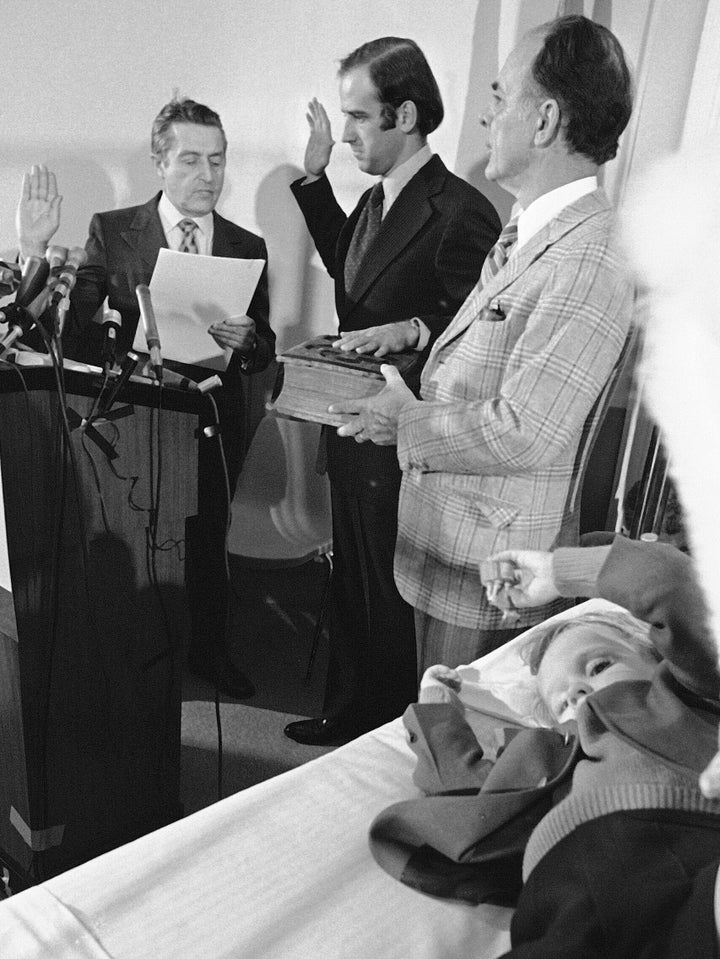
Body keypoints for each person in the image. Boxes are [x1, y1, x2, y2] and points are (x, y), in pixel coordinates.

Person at [331, 15, 635, 678]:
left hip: (489, 573)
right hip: (449, 543)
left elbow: (528, 429)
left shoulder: (587, 259)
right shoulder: (532, 230)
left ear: (546, 120)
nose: (486, 119)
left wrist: (402, 417)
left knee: (456, 757)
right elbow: (493, 342)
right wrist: (418, 336)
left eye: (500, 100)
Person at [17, 100, 276, 700]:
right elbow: (79, 330)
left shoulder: (247, 242)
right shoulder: (113, 230)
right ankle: (142, 656)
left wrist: (250, 340)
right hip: (135, 413)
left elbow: (260, 347)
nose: (206, 175)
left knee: (209, 536)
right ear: (160, 163)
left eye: (217, 160)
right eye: (189, 160)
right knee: (142, 536)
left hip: (214, 413)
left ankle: (210, 653)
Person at [285, 37, 501, 746]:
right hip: (352, 425)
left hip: (405, 439)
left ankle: (379, 731)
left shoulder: (460, 211)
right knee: (354, 584)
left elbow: (478, 333)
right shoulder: (379, 200)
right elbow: (354, 280)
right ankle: (352, 713)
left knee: (388, 595)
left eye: (358, 118)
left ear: (404, 114)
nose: (346, 134)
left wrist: (412, 328)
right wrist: (315, 180)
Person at [370, 535, 720, 957]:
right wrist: (438, 708)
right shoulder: (544, 753)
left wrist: (559, 573)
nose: (579, 694)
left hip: (692, 840)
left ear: (656, 657)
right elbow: (465, 792)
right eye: (561, 700)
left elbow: (672, 584)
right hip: (566, 887)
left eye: (600, 665)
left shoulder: (684, 692)